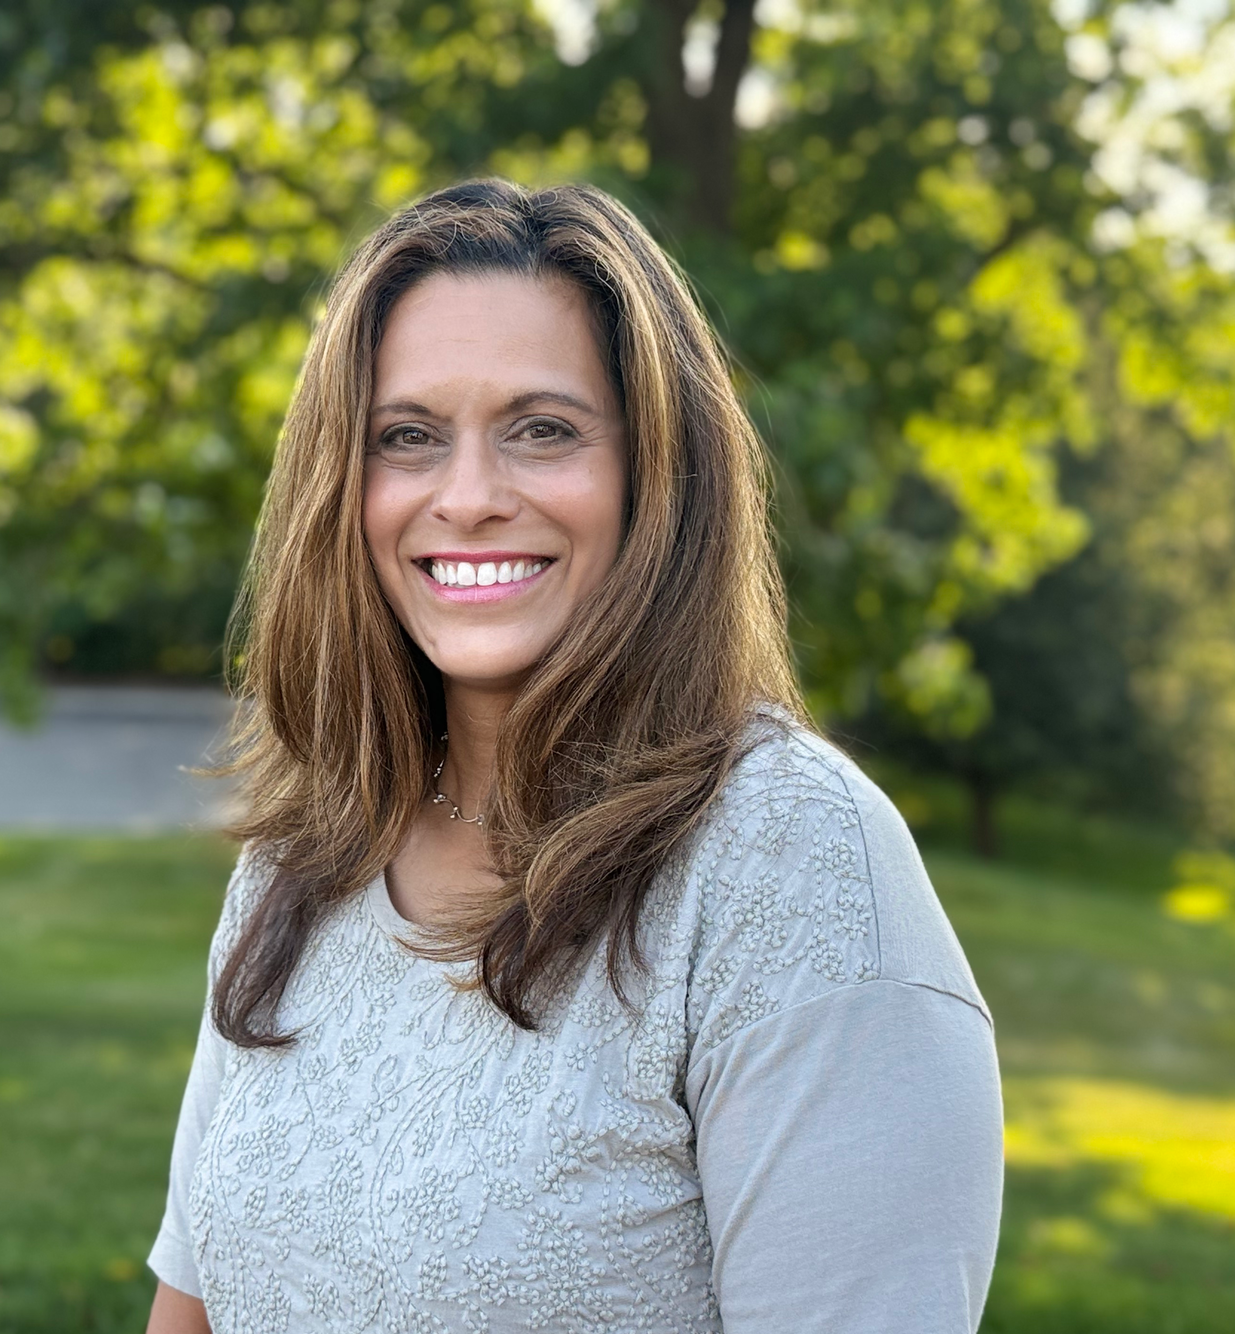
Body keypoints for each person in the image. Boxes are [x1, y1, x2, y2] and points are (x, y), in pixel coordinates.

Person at [145, 179, 1003, 1334]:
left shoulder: (792, 864)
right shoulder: (304, 860)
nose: (467, 497)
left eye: (541, 429)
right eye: (406, 437)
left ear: (656, 475)